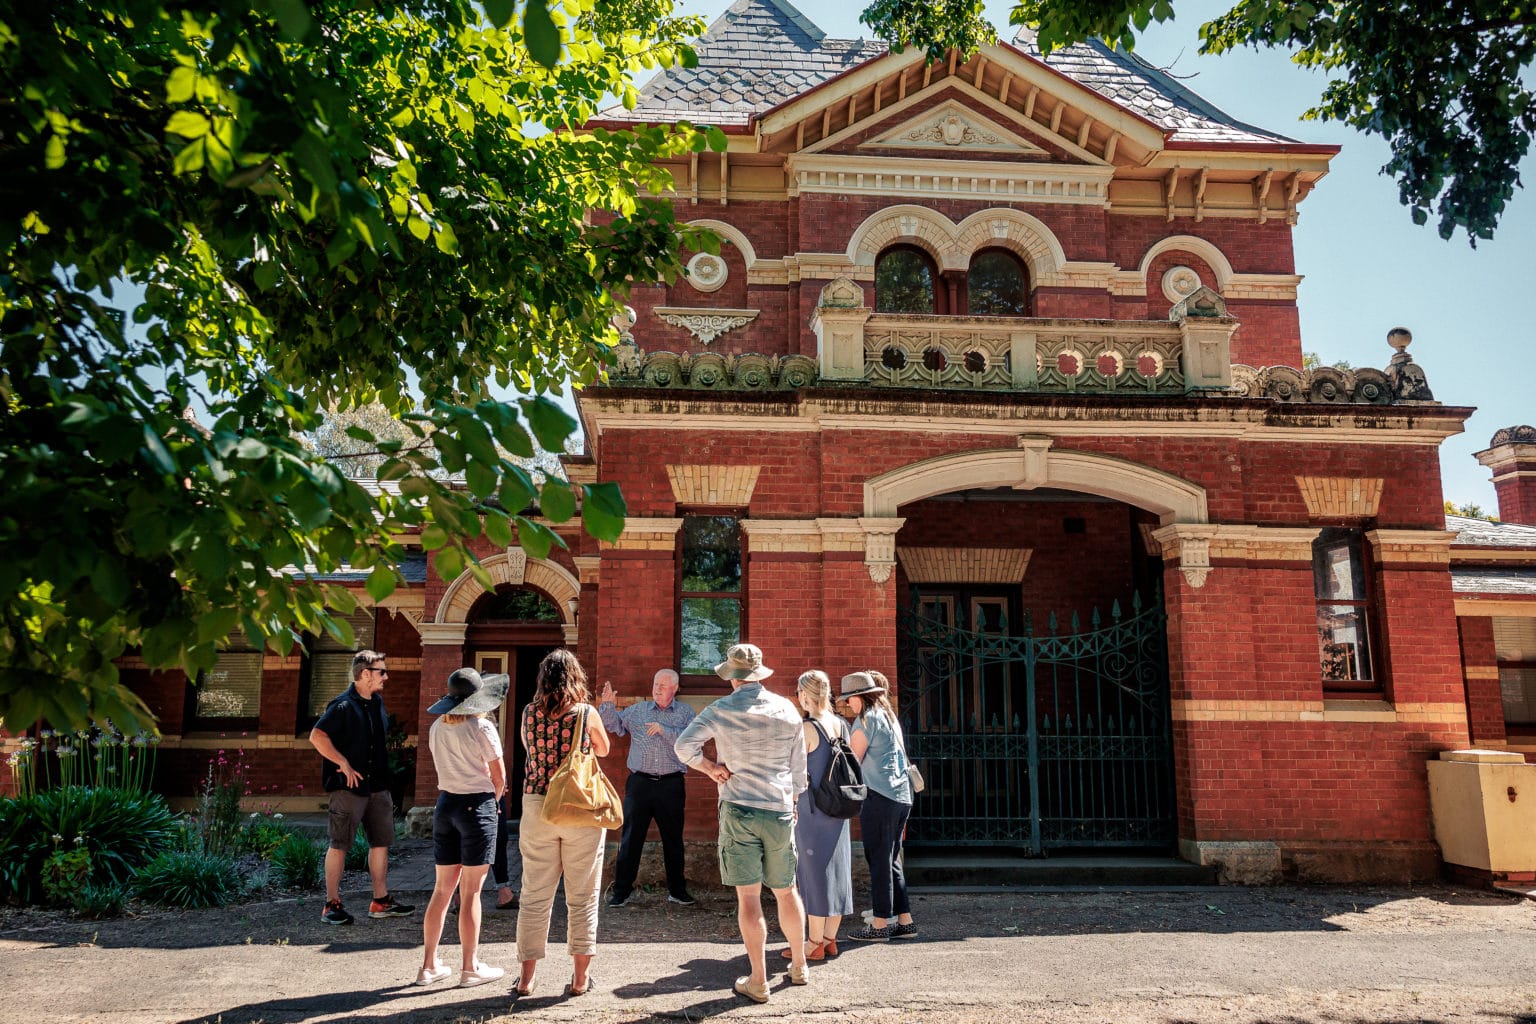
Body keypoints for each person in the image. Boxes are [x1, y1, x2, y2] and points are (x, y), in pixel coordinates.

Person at [674, 643, 810, 1004]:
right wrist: (793, 801)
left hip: (739, 807)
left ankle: (759, 979)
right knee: (787, 889)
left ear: (732, 677)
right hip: (779, 807)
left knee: (748, 896)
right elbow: (799, 768)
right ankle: (798, 965)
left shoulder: (721, 709)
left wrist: (711, 769)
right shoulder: (786, 708)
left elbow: (683, 746)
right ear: (760, 673)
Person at [515, 649, 612, 998]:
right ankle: (580, 979)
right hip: (578, 807)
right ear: (576, 678)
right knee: (583, 895)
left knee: (534, 895)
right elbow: (603, 750)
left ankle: (526, 980)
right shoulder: (586, 713)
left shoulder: (528, 713)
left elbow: (529, 750)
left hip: (537, 804)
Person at [416, 668, 509, 987]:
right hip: (476, 806)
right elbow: (499, 777)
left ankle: (428, 966)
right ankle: (469, 968)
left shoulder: (437, 727)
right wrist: (494, 804)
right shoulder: (482, 726)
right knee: (471, 892)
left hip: (445, 805)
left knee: (442, 890)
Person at [308, 650, 414, 926]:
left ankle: (380, 901)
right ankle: (331, 905)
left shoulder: (377, 703)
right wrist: (342, 762)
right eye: (381, 672)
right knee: (339, 844)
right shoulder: (341, 706)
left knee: (381, 843)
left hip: (378, 786)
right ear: (365, 674)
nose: (386, 677)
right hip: (348, 788)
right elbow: (317, 736)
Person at [598, 668, 696, 907]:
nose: (657, 689)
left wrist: (665, 731)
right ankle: (621, 891)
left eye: (663, 685)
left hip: (671, 784)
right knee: (631, 837)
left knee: (672, 839)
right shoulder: (639, 711)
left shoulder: (685, 713)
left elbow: (692, 741)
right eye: (655, 684)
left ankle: (677, 890)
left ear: (675, 689)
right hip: (639, 783)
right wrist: (607, 706)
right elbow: (615, 726)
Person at [780, 670, 852, 962]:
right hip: (839, 807)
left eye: (799, 693)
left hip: (813, 808)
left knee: (812, 874)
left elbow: (794, 770)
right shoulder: (841, 724)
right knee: (837, 871)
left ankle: (813, 943)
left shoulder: (806, 727)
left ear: (805, 695)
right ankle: (830, 939)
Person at [840, 671, 917, 942]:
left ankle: (880, 924)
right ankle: (905, 921)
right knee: (892, 858)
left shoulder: (865, 721)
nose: (848, 705)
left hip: (879, 796)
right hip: (901, 795)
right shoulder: (888, 716)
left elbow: (853, 762)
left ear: (858, 698)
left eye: (849, 699)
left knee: (879, 861)